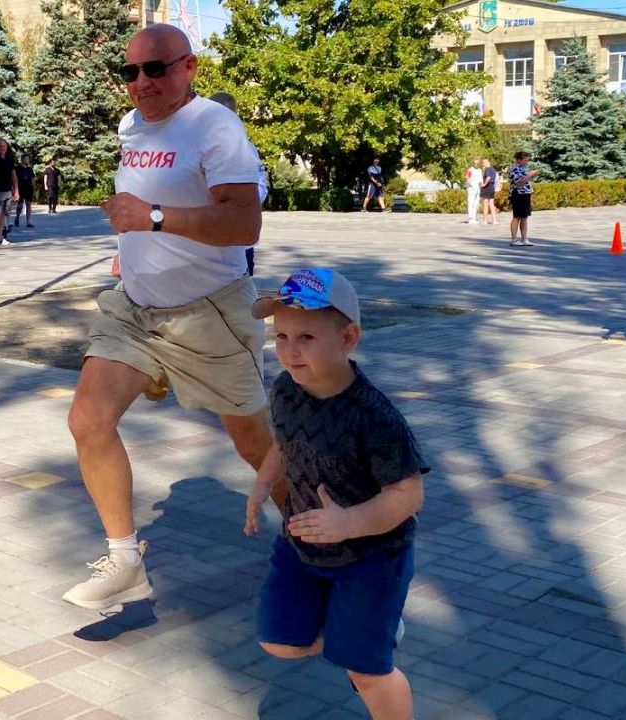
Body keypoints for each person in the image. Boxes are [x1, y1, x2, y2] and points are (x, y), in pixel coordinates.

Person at [63, 23, 282, 610]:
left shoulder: (215, 126)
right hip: (134, 309)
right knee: (88, 420)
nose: (142, 82)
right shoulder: (130, 127)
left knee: (256, 445)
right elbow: (142, 204)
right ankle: (125, 560)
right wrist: (132, 246)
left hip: (209, 313)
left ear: (189, 68)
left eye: (156, 68)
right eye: (130, 71)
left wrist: (153, 219)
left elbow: (244, 224)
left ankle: (331, 554)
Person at [246, 267, 427, 720]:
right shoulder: (286, 390)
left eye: (306, 337)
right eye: (281, 336)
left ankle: (368, 641)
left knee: (367, 671)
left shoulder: (374, 416)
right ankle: (363, 633)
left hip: (372, 557)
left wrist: (350, 522)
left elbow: (408, 493)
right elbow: (283, 442)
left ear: (348, 339)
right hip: (302, 545)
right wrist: (263, 483)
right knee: (278, 642)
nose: (289, 350)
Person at [208, 91, 268, 276]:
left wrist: (235, 204)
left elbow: (260, 188)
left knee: (239, 288)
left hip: (238, 241)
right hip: (204, 242)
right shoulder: (197, 147)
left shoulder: (246, 149)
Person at [508, 151, 539, 247]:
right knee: (517, 216)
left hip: (526, 193)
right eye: (525, 160)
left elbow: (527, 180)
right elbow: (519, 183)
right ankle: (514, 239)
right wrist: (530, 175)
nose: (527, 162)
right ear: (518, 160)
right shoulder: (514, 168)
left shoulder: (524, 168)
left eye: (527, 160)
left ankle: (524, 238)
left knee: (524, 217)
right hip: (518, 194)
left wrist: (533, 175)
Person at [14, 154, 35, 228]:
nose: (28, 161)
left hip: (29, 189)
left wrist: (33, 187)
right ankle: (17, 217)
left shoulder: (30, 169)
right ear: (22, 160)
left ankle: (28, 222)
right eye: (26, 159)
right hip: (20, 189)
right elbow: (14, 178)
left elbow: (33, 179)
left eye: (28, 159)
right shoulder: (17, 168)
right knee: (20, 206)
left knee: (28, 204)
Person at [480, 158, 498, 225]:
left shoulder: (487, 169)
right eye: (483, 162)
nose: (483, 164)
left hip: (487, 187)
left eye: (484, 162)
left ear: (488, 162)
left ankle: (485, 221)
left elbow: (488, 177)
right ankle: (494, 220)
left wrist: (484, 184)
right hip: (492, 187)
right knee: (491, 204)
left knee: (485, 204)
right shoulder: (493, 169)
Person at [465, 158, 483, 225]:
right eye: (475, 163)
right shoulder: (470, 169)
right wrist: (471, 186)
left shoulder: (480, 170)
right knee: (471, 203)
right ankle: (470, 219)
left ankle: (474, 218)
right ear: (473, 163)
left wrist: (481, 188)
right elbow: (467, 178)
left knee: (476, 204)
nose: (476, 164)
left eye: (477, 163)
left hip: (478, 189)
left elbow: (480, 180)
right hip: (472, 189)